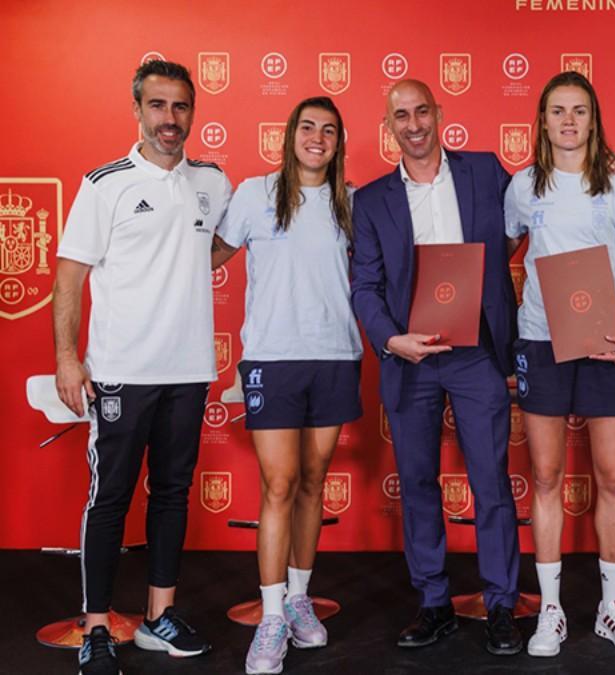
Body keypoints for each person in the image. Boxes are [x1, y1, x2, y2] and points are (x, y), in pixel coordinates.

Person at [53, 59, 231, 675]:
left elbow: (213, 248)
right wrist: (68, 357)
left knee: (172, 494)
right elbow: (70, 274)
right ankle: (97, 625)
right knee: (111, 499)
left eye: (181, 106)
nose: (170, 119)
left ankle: (159, 616)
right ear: (137, 111)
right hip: (122, 370)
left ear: (192, 113)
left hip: (188, 370)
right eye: (158, 106)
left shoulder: (213, 182)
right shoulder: (105, 185)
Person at [350, 79, 523, 656]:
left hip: (476, 352)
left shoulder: (485, 172)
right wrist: (390, 339)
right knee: (419, 484)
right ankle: (434, 604)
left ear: (440, 113)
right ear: (389, 126)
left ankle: (501, 604)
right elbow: (366, 287)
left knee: (491, 483)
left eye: (422, 110)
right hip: (411, 356)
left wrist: (605, 165)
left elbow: (543, 200)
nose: (414, 123)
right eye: (401, 115)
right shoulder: (371, 200)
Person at [210, 96, 362, 674]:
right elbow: (210, 254)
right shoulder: (253, 193)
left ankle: (299, 600)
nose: (317, 137)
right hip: (272, 359)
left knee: (312, 481)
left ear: (338, 141)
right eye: (307, 126)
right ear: (290, 134)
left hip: (335, 356)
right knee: (278, 483)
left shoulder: (350, 203)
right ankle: (271, 616)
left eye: (328, 130)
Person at [504, 71, 615, 657]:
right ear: (542, 121)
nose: (569, 121)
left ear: (595, 119)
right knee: (545, 479)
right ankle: (550, 610)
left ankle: (612, 607)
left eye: (580, 111)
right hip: (541, 343)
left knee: (613, 478)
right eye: (558, 111)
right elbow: (500, 254)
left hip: (604, 345)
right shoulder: (522, 187)